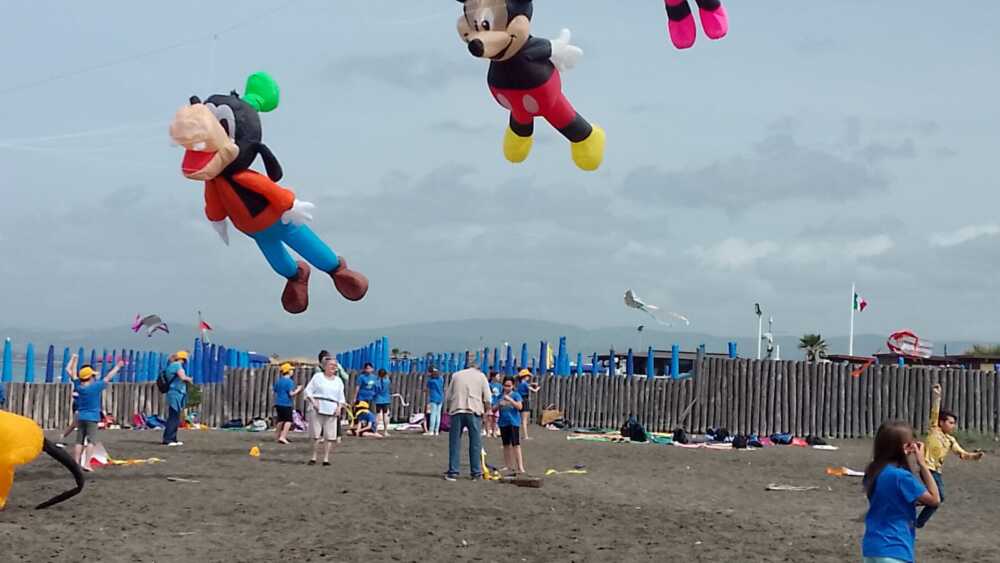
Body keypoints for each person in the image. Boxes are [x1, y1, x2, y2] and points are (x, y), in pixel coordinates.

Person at [862, 420, 940, 563]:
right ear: (905, 448)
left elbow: (891, 501)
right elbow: (935, 499)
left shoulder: (873, 472)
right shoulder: (901, 477)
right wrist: (923, 464)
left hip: (872, 548)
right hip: (895, 547)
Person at [916, 383, 985, 528]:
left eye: (954, 423)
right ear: (941, 422)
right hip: (927, 469)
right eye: (951, 422)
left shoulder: (950, 440)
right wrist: (937, 396)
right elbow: (935, 411)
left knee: (937, 499)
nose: (953, 425)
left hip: (936, 472)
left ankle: (910, 504)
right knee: (938, 499)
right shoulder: (934, 429)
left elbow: (962, 454)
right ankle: (917, 522)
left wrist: (975, 456)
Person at [445, 352, 492, 481]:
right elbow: (488, 397)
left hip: (457, 409)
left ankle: (453, 471)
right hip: (474, 410)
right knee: (475, 443)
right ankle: (476, 473)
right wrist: (488, 411)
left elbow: (448, 396)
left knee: (455, 442)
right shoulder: (481, 377)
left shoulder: (456, 375)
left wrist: (449, 408)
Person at [73, 360, 125, 471]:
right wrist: (117, 367)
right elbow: (108, 377)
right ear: (90, 377)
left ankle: (76, 462)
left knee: (79, 441)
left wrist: (74, 360)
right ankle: (86, 463)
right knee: (91, 441)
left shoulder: (78, 386)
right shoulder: (95, 387)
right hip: (92, 418)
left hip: (81, 416)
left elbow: (72, 374)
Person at [304, 357, 346, 465]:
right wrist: (313, 402)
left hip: (332, 408)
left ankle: (326, 458)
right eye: (331, 365)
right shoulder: (318, 377)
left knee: (330, 435)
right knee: (315, 434)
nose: (333, 367)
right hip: (318, 406)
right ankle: (313, 457)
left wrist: (339, 407)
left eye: (335, 365)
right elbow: (308, 391)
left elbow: (341, 396)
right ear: (325, 366)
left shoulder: (338, 381)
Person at [163, 351, 193, 447]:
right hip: (175, 393)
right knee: (174, 417)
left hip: (174, 393)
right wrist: (190, 379)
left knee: (174, 416)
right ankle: (168, 439)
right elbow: (183, 377)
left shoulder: (172, 365)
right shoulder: (177, 366)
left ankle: (173, 438)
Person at [497, 376, 525, 475]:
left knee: (516, 445)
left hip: (513, 422)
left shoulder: (516, 395)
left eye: (509, 386)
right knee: (505, 445)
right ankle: (508, 465)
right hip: (503, 422)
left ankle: (520, 466)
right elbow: (493, 409)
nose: (507, 388)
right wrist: (499, 405)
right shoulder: (500, 395)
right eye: (505, 386)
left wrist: (510, 400)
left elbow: (520, 407)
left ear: (513, 386)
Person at [273, 362, 303, 444]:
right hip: (286, 403)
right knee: (288, 420)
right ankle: (283, 437)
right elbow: (291, 394)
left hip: (278, 403)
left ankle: (277, 436)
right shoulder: (289, 382)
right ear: (288, 371)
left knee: (280, 420)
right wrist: (298, 390)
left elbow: (275, 390)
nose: (292, 371)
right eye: (291, 370)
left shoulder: (279, 381)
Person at [516, 369, 541, 439]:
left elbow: (527, 385)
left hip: (520, 401)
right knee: (524, 420)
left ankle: (521, 435)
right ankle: (526, 436)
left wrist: (532, 384)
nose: (529, 377)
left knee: (520, 419)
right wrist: (538, 388)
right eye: (528, 376)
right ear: (525, 376)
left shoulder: (520, 384)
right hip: (525, 401)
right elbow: (534, 391)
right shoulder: (525, 384)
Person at [424, 366, 445, 437]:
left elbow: (426, 388)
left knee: (433, 414)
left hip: (433, 398)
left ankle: (431, 430)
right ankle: (436, 431)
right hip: (440, 398)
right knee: (438, 415)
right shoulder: (441, 379)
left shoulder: (431, 381)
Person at [374, 368, 392, 435]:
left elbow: (375, 390)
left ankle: (375, 430)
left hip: (378, 399)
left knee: (378, 415)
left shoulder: (376, 382)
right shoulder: (387, 381)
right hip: (386, 399)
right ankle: (385, 431)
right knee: (385, 415)